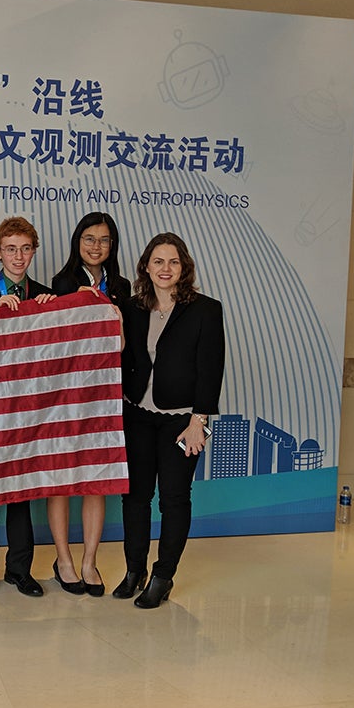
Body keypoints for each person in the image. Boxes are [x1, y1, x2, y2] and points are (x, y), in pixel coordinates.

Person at [114, 232, 224, 609]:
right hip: (137, 416)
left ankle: (163, 576)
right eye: (158, 261)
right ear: (146, 265)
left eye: (173, 262)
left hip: (184, 421)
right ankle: (134, 570)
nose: (165, 268)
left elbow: (211, 371)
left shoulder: (207, 310)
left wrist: (200, 422)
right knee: (135, 497)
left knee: (174, 499)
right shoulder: (131, 307)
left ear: (184, 267)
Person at [0, 216, 56, 598]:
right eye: (11, 248)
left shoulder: (47, 297)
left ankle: (20, 570)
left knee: (21, 493)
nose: (18, 256)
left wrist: (55, 313)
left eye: (25, 248)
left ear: (34, 251)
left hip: (26, 412)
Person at [47, 212, 131, 597]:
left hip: (104, 397)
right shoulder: (61, 283)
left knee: (96, 482)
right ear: (77, 240)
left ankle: (89, 561)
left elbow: (124, 347)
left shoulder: (123, 286)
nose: (96, 246)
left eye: (104, 240)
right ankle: (63, 559)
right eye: (89, 238)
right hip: (65, 397)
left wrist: (113, 316)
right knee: (62, 480)